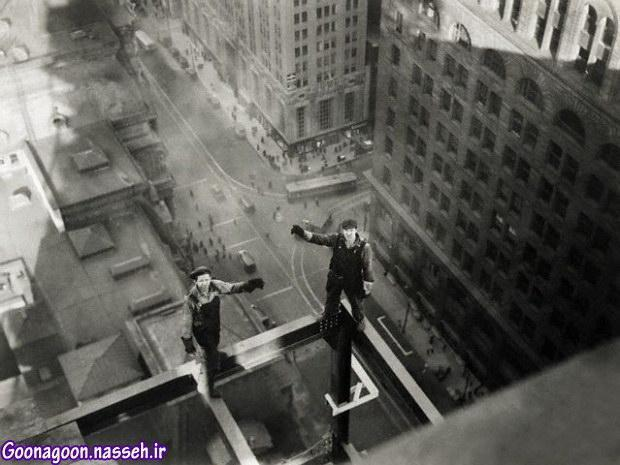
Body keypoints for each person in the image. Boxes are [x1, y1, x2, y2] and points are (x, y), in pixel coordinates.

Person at [181, 267, 265, 397]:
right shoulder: (191, 299)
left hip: (214, 325)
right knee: (211, 356)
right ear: (195, 282)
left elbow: (231, 288)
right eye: (201, 281)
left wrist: (249, 285)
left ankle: (218, 358)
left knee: (214, 346)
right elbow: (187, 323)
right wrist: (188, 343)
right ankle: (208, 389)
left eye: (206, 280)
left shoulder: (215, 285)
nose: (205, 284)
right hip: (202, 331)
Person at [290, 219, 374, 335]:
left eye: (350, 230)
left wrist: (367, 286)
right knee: (331, 299)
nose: (348, 233)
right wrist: (302, 232)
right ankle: (328, 316)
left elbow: (367, 267)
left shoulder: (364, 247)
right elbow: (319, 239)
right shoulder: (337, 239)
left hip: (352, 280)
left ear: (356, 230)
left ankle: (360, 320)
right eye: (346, 230)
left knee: (356, 303)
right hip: (336, 276)